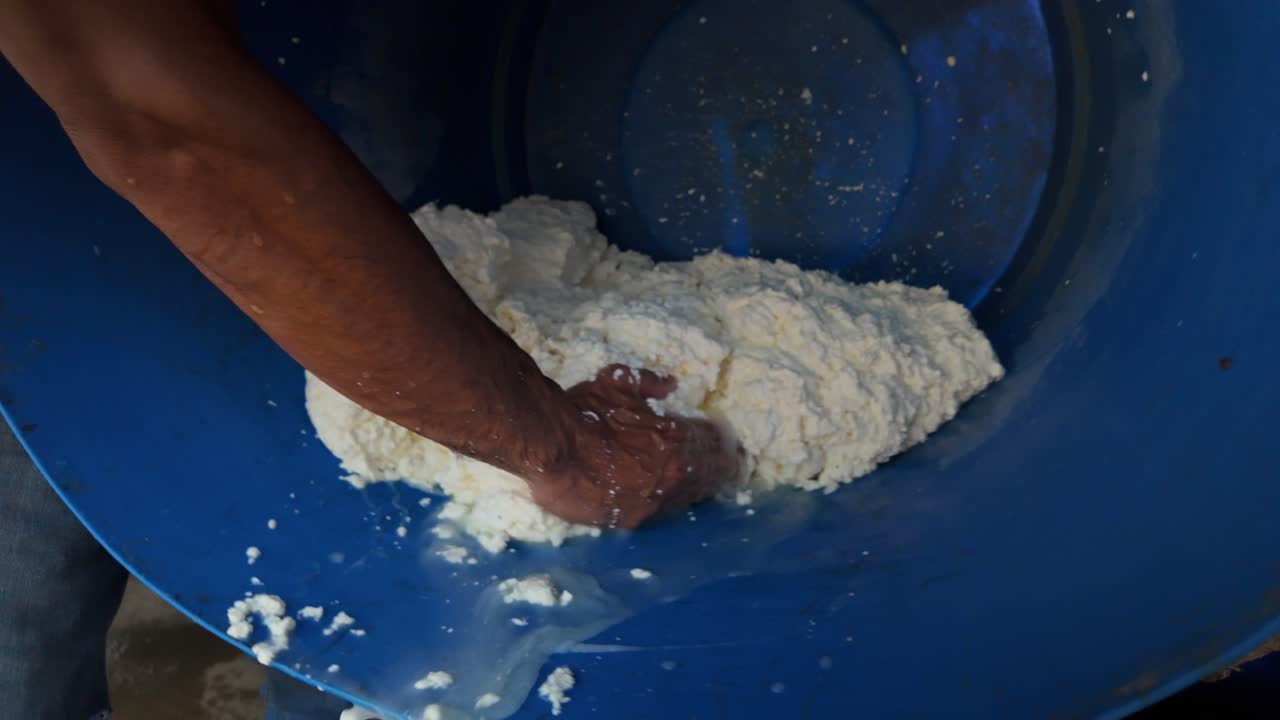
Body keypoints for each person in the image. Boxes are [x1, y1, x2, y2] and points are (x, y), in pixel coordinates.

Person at [0, 0, 741, 716]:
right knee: (28, 567)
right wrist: (562, 447)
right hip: (55, 215)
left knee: (361, 629)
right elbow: (164, 121)